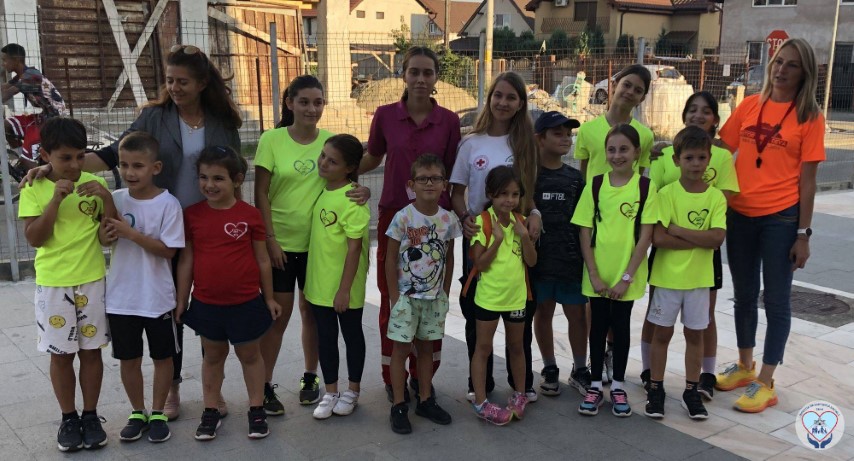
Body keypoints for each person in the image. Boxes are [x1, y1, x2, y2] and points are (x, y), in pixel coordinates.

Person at [23, 44, 243, 420]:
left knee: (210, 310)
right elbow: (112, 155)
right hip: (163, 226)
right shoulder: (154, 116)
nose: (174, 87)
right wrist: (55, 169)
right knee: (170, 311)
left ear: (203, 83)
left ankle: (213, 389)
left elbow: (234, 173)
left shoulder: (223, 121)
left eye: (183, 81)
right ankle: (171, 388)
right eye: (169, 80)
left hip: (207, 227)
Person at [714, 38, 825, 413]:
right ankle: (745, 366)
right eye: (778, 61)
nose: (781, 70)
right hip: (739, 214)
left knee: (776, 301)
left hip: (781, 218)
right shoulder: (749, 105)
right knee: (744, 295)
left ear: (804, 73)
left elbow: (808, 182)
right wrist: (675, 152)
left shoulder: (810, 118)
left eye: (791, 65)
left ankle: (766, 380)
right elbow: (720, 151)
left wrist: (803, 234)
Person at [361, 46, 461, 403]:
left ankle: (424, 379)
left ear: (436, 78)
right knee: (395, 300)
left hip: (434, 222)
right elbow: (372, 156)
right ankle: (395, 379)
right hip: (395, 218)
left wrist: (462, 214)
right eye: (414, 72)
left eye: (427, 72)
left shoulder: (449, 121)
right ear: (403, 75)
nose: (420, 79)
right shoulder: (386, 115)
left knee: (431, 300)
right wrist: (340, 175)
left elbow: (453, 173)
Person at [18, 117, 115, 451]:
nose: (74, 164)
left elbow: (109, 235)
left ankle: (91, 415)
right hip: (54, 285)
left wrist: (107, 198)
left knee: (91, 353)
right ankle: (68, 418)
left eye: (80, 156)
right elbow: (35, 238)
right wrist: (56, 200)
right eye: (65, 158)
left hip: (91, 281)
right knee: (61, 356)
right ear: (46, 156)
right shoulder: (34, 187)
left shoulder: (94, 185)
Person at [175, 146, 282, 441]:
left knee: (250, 355)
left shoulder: (250, 215)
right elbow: (186, 260)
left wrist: (269, 297)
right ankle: (210, 410)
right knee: (213, 356)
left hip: (246, 303)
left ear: (237, 180)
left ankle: (256, 409)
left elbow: (262, 259)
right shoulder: (192, 215)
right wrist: (182, 299)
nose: (209, 184)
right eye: (204, 177)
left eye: (218, 178)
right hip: (207, 303)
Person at [450, 71, 541, 403]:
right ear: (489, 99)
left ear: (520, 104)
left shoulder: (525, 143)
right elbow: (457, 194)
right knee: (476, 310)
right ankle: (480, 386)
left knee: (520, 311)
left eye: (511, 97)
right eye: (498, 95)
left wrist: (535, 214)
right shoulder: (471, 143)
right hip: (481, 235)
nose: (503, 102)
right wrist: (466, 219)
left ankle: (522, 385)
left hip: (517, 235)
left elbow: (530, 193)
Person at [641, 91, 739, 401]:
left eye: (706, 111)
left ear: (715, 119)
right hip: (669, 261)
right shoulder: (664, 156)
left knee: (703, 318)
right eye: (692, 109)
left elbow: (719, 220)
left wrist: (681, 231)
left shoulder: (722, 158)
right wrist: (696, 237)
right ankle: (650, 374)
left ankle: (703, 377)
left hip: (701, 263)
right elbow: (656, 215)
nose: (698, 115)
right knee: (658, 317)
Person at [254, 75, 333, 412]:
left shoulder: (330, 142)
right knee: (278, 317)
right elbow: (260, 193)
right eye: (304, 102)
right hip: (281, 247)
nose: (311, 109)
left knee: (311, 314)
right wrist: (270, 240)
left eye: (318, 102)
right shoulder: (271, 140)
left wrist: (361, 191)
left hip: (318, 247)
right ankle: (264, 385)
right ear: (290, 103)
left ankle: (310, 377)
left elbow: (344, 183)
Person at [100, 132, 184, 443]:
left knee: (163, 358)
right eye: (124, 165)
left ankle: (158, 412)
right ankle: (138, 411)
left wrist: (131, 233)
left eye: (138, 165)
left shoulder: (168, 204)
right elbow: (104, 239)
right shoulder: (116, 199)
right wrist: (107, 231)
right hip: (121, 298)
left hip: (157, 297)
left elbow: (169, 250)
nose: (130, 172)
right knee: (129, 359)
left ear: (155, 167)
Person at [573, 64, 654, 384]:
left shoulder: (644, 136)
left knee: (618, 308)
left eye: (638, 90)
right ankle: (591, 362)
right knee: (594, 300)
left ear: (642, 98)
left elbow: (639, 182)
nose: (630, 92)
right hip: (593, 223)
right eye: (627, 84)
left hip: (622, 227)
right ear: (615, 84)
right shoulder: (589, 131)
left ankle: (609, 355)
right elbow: (583, 176)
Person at [386, 154, 461, 434]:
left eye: (435, 178)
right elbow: (389, 258)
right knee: (401, 350)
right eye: (423, 179)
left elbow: (449, 257)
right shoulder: (403, 217)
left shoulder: (448, 219)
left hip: (433, 298)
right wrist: (395, 297)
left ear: (444, 184)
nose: (429, 183)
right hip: (407, 298)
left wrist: (445, 291)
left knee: (427, 349)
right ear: (411, 184)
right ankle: (398, 404)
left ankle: (426, 399)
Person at [304, 134, 371, 420]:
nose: (323, 163)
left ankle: (352, 390)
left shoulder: (353, 200)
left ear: (349, 168)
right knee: (326, 338)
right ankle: (330, 391)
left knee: (352, 336)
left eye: (332, 161)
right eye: (323, 156)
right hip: (319, 284)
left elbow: (354, 249)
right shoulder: (321, 188)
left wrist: (344, 290)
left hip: (346, 287)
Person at [469, 166, 537, 425]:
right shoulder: (482, 222)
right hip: (488, 298)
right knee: (483, 348)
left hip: (516, 298)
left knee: (517, 347)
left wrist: (525, 238)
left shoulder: (521, 222)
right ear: (491, 194)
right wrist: (496, 241)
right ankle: (480, 401)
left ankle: (520, 394)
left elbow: (532, 261)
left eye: (515, 194)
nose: (509, 200)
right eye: (503, 194)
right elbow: (480, 264)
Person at [529, 112, 590, 397]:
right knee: (543, 313)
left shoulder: (576, 179)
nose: (566, 139)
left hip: (571, 262)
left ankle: (580, 369)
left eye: (568, 134)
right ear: (539, 139)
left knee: (577, 315)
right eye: (558, 133)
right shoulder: (528, 177)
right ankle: (549, 367)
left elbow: (585, 223)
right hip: (539, 263)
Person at [2, 43, 66, 169]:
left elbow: (8, 93)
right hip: (42, 116)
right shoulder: (21, 76)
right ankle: (22, 157)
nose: (3, 64)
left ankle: (30, 165)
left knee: (28, 156)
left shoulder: (32, 75)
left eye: (5, 60)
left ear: (16, 60)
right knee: (6, 125)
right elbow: (4, 87)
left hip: (54, 119)